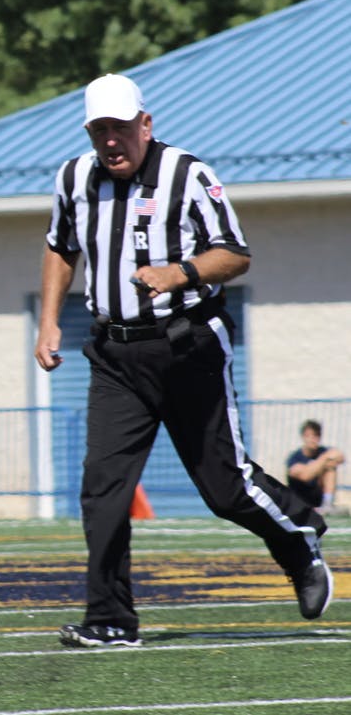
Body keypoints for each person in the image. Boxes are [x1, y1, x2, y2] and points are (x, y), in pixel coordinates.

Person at [34, 73, 332, 648]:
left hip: (187, 345)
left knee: (226, 489)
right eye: (100, 131)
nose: (111, 141)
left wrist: (181, 272)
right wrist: (49, 319)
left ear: (146, 125)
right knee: (103, 490)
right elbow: (59, 245)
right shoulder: (73, 177)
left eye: (121, 128)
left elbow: (235, 254)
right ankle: (111, 619)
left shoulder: (188, 174)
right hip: (115, 354)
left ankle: (298, 539)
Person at [287, 420, 345, 515]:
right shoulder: (295, 457)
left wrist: (322, 463)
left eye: (316, 435)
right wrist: (324, 459)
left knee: (330, 469)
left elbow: (340, 456)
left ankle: (327, 504)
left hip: (317, 498)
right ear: (303, 437)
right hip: (299, 501)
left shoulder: (323, 451)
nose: (312, 439)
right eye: (308, 436)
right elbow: (305, 476)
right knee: (327, 465)